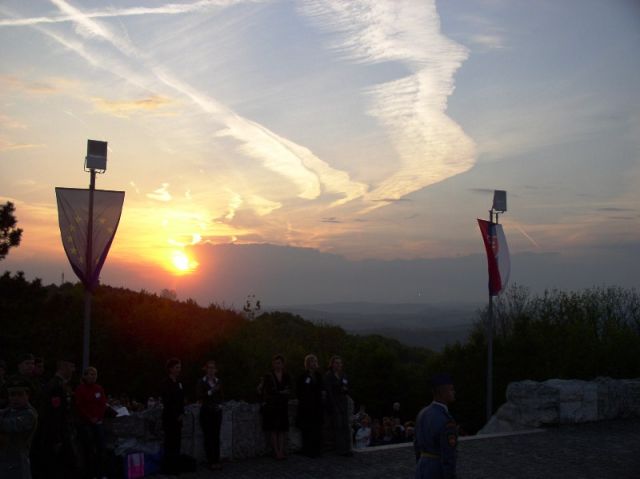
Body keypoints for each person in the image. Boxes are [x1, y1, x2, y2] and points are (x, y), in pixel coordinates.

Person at [414, 373, 458, 479]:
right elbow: (448, 455)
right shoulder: (446, 419)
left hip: (421, 468)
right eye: (451, 390)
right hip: (437, 470)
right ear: (442, 393)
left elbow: (416, 445)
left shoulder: (422, 413)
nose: (454, 392)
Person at [41, 358, 78, 479]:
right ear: (63, 367)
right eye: (71, 367)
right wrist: (57, 437)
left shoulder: (61, 384)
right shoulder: (56, 386)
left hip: (62, 431)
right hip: (59, 433)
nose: (73, 370)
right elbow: (55, 414)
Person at [0, 378, 38, 479]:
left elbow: (10, 425)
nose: (16, 398)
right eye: (12, 395)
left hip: (18, 466)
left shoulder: (29, 414)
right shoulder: (7, 411)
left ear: (27, 395)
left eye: (20, 395)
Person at [74, 367, 107, 479]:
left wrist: (98, 417)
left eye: (95, 374)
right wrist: (89, 418)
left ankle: (101, 473)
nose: (93, 376)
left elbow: (103, 404)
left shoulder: (99, 388)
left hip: (98, 423)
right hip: (85, 423)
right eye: (91, 374)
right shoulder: (80, 389)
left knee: (101, 448)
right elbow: (79, 406)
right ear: (85, 376)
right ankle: (89, 474)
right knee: (88, 449)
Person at [260, 354, 291, 460]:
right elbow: (268, 391)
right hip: (272, 406)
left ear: (283, 364)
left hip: (283, 405)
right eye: (275, 363)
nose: (277, 365)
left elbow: (289, 389)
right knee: (273, 429)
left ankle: (281, 451)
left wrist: (279, 392)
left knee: (282, 429)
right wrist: (281, 392)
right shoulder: (268, 376)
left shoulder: (286, 375)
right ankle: (276, 452)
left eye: (279, 363)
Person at [195, 360, 223, 470]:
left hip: (217, 412)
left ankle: (217, 460)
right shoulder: (201, 382)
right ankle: (211, 461)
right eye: (209, 368)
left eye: (213, 368)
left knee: (216, 436)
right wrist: (211, 391)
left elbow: (221, 396)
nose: (211, 370)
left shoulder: (218, 381)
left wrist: (220, 405)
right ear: (206, 369)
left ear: (216, 370)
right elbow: (199, 396)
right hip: (206, 412)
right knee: (208, 437)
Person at [295, 354, 324, 457]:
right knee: (307, 429)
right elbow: (299, 391)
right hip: (307, 407)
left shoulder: (318, 375)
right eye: (312, 361)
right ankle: (308, 450)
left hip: (317, 407)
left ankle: (317, 449)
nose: (314, 363)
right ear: (307, 363)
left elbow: (321, 389)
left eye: (315, 361)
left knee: (317, 429)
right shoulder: (303, 376)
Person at [324, 355, 352, 456]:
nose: (338, 365)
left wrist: (346, 389)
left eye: (340, 363)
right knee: (338, 426)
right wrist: (333, 405)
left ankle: (347, 448)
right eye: (336, 363)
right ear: (332, 364)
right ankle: (340, 449)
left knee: (345, 426)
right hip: (334, 404)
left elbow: (347, 388)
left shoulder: (344, 375)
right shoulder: (328, 376)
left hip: (343, 403)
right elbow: (329, 391)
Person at [160, 358, 184, 475]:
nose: (179, 370)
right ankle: (169, 468)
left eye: (179, 367)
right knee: (169, 442)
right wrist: (176, 415)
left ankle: (176, 466)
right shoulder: (166, 383)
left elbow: (181, 399)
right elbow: (167, 401)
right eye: (177, 367)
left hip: (179, 417)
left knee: (177, 442)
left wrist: (181, 413)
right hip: (170, 417)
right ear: (170, 369)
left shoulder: (179, 382)